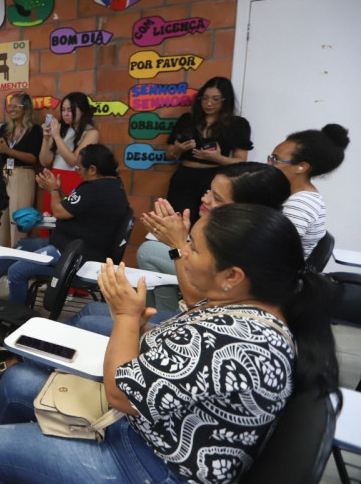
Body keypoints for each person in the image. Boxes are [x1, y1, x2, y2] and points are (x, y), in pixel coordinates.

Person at [0, 203, 340, 484]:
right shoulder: (246, 308)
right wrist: (139, 327)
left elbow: (120, 394)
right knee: (19, 379)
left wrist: (126, 317)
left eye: (193, 248)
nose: (182, 252)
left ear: (233, 276)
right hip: (146, 440)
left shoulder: (234, 339)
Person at [0, 144, 129, 305]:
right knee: (22, 245)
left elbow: (59, 211)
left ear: (92, 169)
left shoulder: (94, 189)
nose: (77, 171)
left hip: (73, 255)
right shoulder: (113, 185)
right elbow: (73, 207)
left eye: (79, 167)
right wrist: (58, 190)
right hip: (70, 245)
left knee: (16, 271)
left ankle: (18, 317)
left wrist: (53, 190)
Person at [136, 161, 291, 312]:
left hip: (207, 318)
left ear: (244, 208)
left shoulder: (249, 244)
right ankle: (163, 314)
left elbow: (195, 301)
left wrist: (177, 244)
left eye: (217, 198)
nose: (205, 199)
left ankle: (166, 316)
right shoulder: (236, 227)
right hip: (194, 314)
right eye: (209, 190)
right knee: (149, 250)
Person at [165, 77, 252, 223]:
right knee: (178, 221)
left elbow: (241, 162)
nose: (209, 103)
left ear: (225, 100)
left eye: (215, 99)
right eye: (204, 98)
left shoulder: (237, 124)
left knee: (207, 225)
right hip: (184, 177)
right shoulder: (187, 120)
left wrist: (217, 159)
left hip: (214, 179)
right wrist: (178, 149)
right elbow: (169, 155)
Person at [268, 123, 350, 258]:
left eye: (276, 160)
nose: (268, 164)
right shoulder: (290, 193)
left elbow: (274, 251)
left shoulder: (301, 203)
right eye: (270, 158)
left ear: (301, 167)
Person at [0, 91, 42, 246]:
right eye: (9, 106)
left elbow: (33, 158)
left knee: (18, 223)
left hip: (23, 175)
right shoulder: (5, 128)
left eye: (14, 106)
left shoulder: (34, 130)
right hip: (3, 174)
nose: (10, 109)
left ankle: (16, 264)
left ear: (25, 108)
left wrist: (8, 151)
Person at [38, 92, 99, 213]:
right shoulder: (60, 130)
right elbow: (44, 161)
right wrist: (46, 138)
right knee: (49, 218)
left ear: (82, 110)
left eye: (70, 110)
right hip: (55, 180)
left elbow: (73, 161)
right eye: (63, 110)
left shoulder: (92, 133)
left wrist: (56, 136)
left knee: (68, 218)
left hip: (75, 180)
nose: (65, 114)